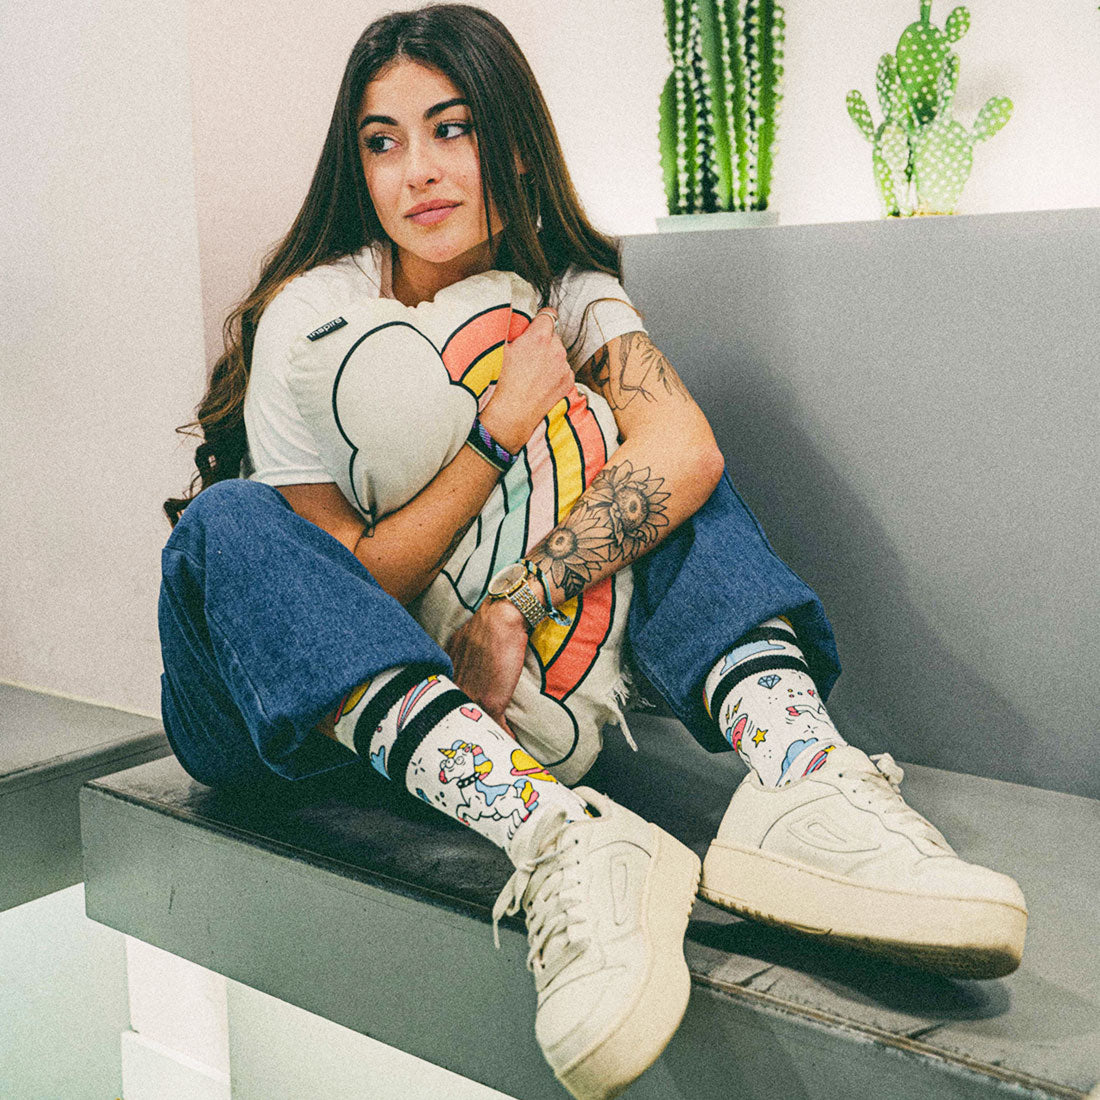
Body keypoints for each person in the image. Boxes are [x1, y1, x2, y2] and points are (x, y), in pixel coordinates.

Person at [158, 6, 1028, 1098]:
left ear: (515, 143)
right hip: (274, 720)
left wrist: (516, 602)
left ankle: (807, 777)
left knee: (659, 473)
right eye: (382, 141)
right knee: (229, 522)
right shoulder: (319, 315)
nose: (417, 170)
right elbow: (345, 585)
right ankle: (555, 835)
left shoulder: (566, 295)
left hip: (491, 691)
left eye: (452, 128)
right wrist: (497, 432)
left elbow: (685, 450)